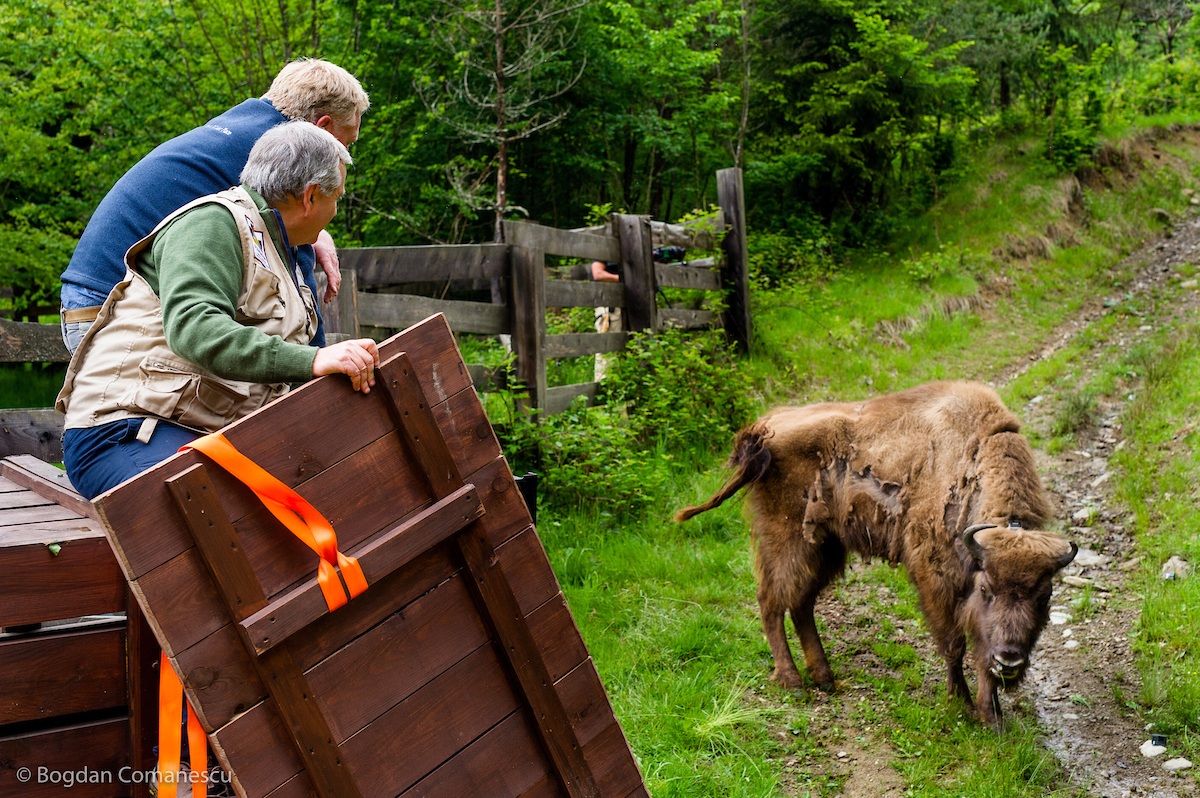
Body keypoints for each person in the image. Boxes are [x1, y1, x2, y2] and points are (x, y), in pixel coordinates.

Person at [56, 122, 380, 500]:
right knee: (213, 519)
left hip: (203, 435)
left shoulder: (282, 250)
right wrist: (313, 359)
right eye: (336, 197)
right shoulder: (213, 223)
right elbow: (194, 328)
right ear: (309, 197)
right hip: (127, 430)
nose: (336, 211)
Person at [59, 58, 369, 354]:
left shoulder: (240, 129)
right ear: (323, 127)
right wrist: (319, 364)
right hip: (111, 309)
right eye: (347, 143)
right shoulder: (280, 150)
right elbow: (295, 275)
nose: (345, 153)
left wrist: (317, 236)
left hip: (91, 296)